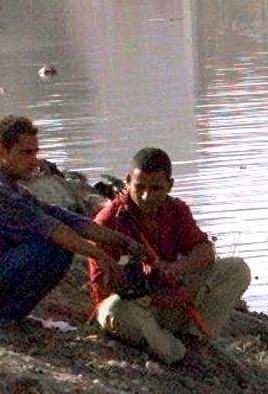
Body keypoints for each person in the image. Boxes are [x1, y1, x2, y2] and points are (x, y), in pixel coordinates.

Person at [0, 115, 146, 323]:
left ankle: (8, 315)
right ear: (1, 151)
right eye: (26, 153)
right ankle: (3, 317)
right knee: (51, 248)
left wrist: (124, 241)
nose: (34, 161)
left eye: (35, 152)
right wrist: (100, 255)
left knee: (57, 245)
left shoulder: (11, 188)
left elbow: (66, 219)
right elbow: (55, 230)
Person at [86, 147, 252, 365]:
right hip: (134, 308)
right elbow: (104, 287)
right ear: (128, 181)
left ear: (170, 186)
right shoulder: (108, 221)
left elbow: (204, 251)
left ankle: (193, 339)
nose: (147, 196)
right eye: (140, 187)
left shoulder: (176, 210)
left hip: (172, 300)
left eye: (156, 189)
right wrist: (155, 296)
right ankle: (178, 354)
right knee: (113, 311)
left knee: (236, 269)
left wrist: (176, 269)